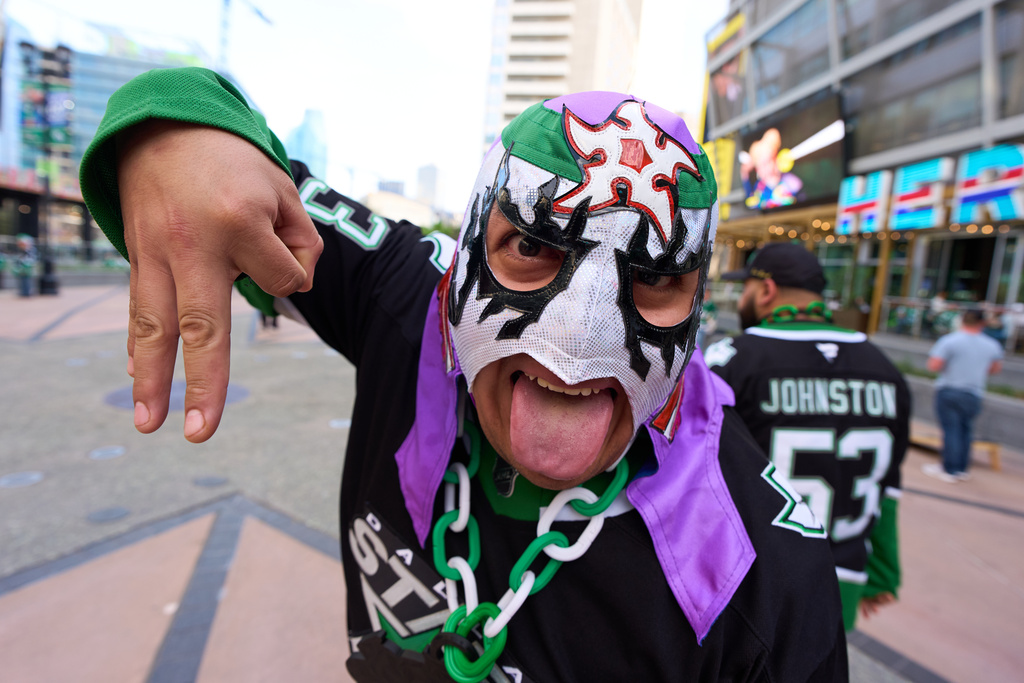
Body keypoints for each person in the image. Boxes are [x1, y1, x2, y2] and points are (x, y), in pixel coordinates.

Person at [79, 67, 847, 682]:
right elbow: (227, 157)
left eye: (653, 279)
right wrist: (165, 131)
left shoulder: (759, 573)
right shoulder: (408, 294)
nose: (577, 342)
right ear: (464, 260)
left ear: (699, 302)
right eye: (532, 249)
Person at [705, 242, 910, 633]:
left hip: (744, 579)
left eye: (746, 287)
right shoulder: (885, 368)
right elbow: (889, 488)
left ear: (766, 291)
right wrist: (884, 572)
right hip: (839, 579)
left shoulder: (733, 356)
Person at [923, 308, 1004, 483]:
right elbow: (995, 369)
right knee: (966, 430)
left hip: (950, 389)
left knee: (950, 430)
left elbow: (934, 365)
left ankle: (949, 468)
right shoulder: (992, 345)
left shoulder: (950, 341)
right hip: (974, 392)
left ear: (962, 320)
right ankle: (961, 468)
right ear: (982, 323)